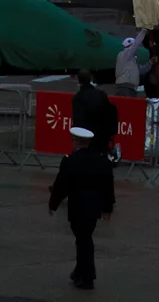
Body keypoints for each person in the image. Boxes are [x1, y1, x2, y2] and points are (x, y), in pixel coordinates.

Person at [48, 124, 115, 290]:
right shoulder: (101, 161)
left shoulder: (71, 161)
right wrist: (107, 208)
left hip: (77, 206)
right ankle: (80, 272)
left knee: (83, 241)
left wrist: (53, 204)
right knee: (84, 239)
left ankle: (87, 276)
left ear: (75, 142)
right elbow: (108, 186)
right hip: (93, 208)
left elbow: (61, 185)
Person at [72, 70, 116, 153]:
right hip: (101, 138)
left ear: (78, 80)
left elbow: (77, 121)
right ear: (91, 78)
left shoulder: (77, 98)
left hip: (85, 140)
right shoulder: (101, 94)